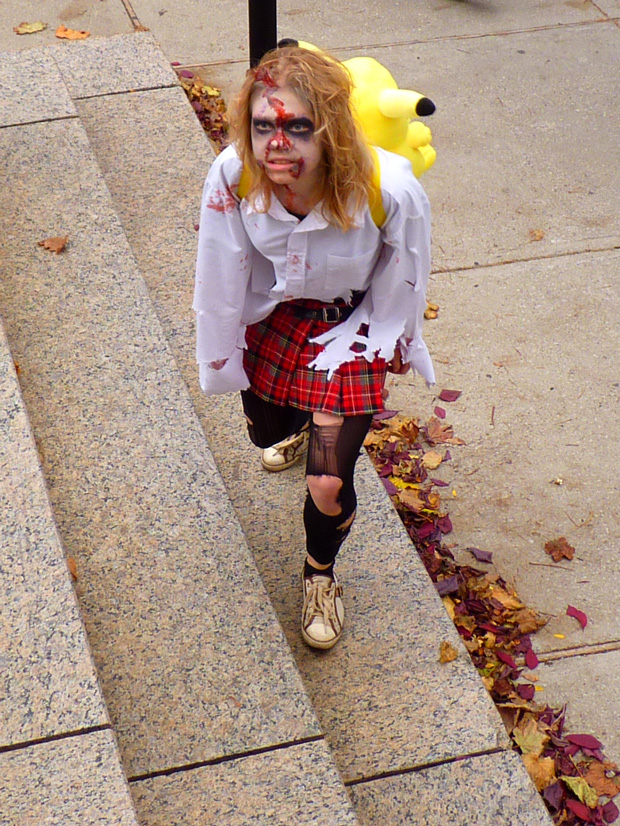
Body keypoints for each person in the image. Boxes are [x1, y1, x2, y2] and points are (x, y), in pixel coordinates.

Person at [193, 45, 434, 649]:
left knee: (327, 482)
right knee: (264, 432)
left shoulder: (390, 191)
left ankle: (320, 573)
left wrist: (396, 338)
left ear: (330, 130)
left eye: (297, 126)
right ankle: (297, 423)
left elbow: (406, 273)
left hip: (346, 330)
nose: (276, 142)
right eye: (264, 125)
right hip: (275, 319)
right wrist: (221, 356)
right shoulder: (233, 174)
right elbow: (219, 268)